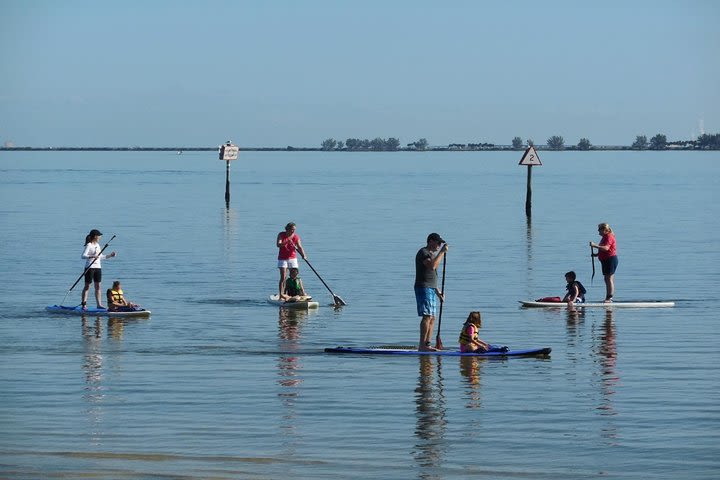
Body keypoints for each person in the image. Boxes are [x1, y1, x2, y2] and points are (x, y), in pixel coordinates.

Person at [415, 232, 448, 351]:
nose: (439, 245)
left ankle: (427, 344)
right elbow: (432, 266)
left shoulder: (431, 255)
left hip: (431, 289)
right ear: (431, 241)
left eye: (440, 244)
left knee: (432, 317)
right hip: (423, 287)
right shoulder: (423, 252)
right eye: (438, 243)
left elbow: (432, 276)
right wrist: (442, 252)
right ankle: (422, 345)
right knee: (427, 316)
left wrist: (438, 292)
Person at [81, 229, 116, 310]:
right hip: (89, 267)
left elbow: (101, 257)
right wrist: (92, 256)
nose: (100, 237)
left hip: (98, 268)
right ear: (95, 236)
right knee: (87, 286)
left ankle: (99, 304)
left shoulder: (98, 245)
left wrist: (110, 255)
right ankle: (84, 304)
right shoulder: (89, 245)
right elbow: (83, 256)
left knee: (98, 286)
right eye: (99, 236)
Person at [276, 222, 306, 298]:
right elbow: (278, 245)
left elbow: (300, 247)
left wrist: (304, 255)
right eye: (292, 229)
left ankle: (301, 292)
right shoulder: (281, 234)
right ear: (287, 229)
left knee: (295, 276)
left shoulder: (296, 237)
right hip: (283, 258)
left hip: (292, 258)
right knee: (283, 277)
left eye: (294, 229)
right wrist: (286, 241)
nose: (293, 231)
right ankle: (281, 294)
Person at [590, 223, 618, 303]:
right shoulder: (604, 237)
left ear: (604, 230)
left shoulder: (609, 237)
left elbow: (606, 248)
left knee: (608, 278)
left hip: (610, 259)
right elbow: (604, 250)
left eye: (599, 229)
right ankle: (608, 297)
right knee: (607, 279)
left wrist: (595, 246)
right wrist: (596, 254)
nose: (598, 231)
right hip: (606, 260)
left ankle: (609, 298)